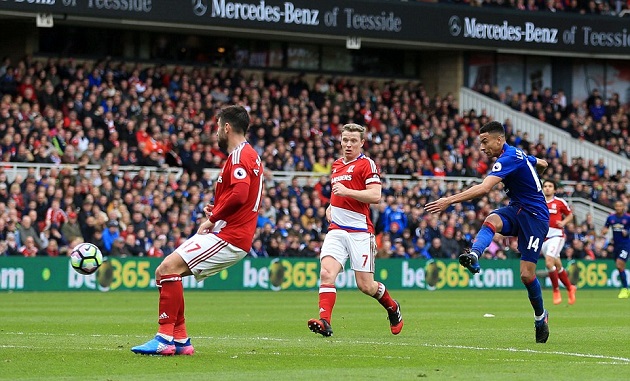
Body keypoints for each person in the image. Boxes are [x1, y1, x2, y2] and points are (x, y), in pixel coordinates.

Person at [131, 105, 264, 355]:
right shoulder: (251, 155)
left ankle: (164, 338)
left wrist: (214, 217)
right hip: (234, 234)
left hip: (229, 236)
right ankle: (180, 340)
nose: (215, 132)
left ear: (226, 127)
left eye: (217, 127)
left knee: (167, 269)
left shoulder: (238, 156)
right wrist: (219, 207)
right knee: (168, 273)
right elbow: (239, 197)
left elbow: (240, 194)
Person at [425, 121, 550, 343]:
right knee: (491, 219)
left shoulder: (509, 157)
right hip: (517, 208)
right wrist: (535, 171)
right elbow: (543, 163)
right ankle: (474, 254)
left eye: (485, 142)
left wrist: (449, 200)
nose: (482, 148)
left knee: (526, 275)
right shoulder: (517, 154)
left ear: (499, 140)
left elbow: (483, 188)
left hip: (536, 217)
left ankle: (541, 317)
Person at [307, 123, 403, 337]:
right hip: (337, 230)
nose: (348, 144)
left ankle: (392, 307)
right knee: (326, 273)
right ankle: (325, 322)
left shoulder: (366, 164)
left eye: (353, 141)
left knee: (366, 286)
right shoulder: (336, 165)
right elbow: (338, 194)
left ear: (362, 143)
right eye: (345, 140)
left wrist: (347, 192)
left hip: (359, 231)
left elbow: (375, 196)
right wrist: (330, 207)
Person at [541, 180, 576, 305]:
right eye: (545, 186)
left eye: (550, 186)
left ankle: (556, 290)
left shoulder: (560, 202)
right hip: (543, 237)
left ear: (555, 190)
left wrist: (563, 223)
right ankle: (570, 287)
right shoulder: (539, 201)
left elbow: (570, 215)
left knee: (549, 263)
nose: (547, 188)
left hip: (556, 235)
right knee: (558, 265)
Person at [600, 200, 630, 298]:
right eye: (616, 206)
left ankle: (625, 289)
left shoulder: (628, 218)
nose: (618, 208)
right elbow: (606, 227)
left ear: (623, 207)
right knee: (619, 267)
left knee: (619, 263)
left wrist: (628, 232)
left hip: (626, 244)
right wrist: (603, 231)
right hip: (616, 245)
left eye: (620, 206)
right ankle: (626, 288)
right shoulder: (611, 218)